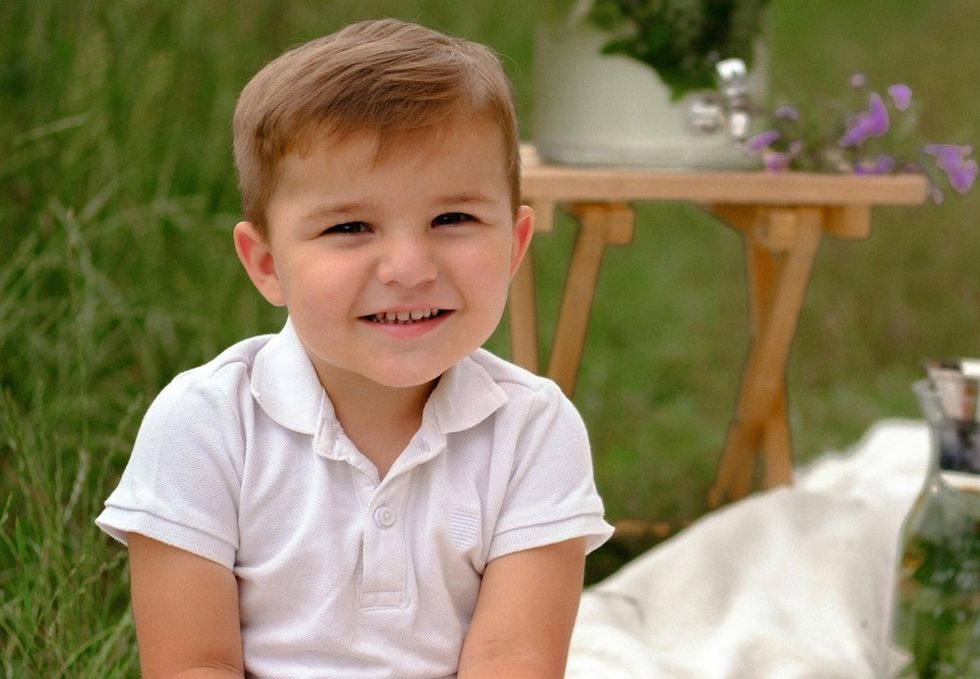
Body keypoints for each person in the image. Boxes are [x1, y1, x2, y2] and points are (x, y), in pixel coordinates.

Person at [97, 18, 613, 679]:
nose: (408, 267)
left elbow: (512, 660)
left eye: (452, 219)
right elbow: (193, 664)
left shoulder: (533, 428)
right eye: (350, 226)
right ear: (267, 264)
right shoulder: (206, 424)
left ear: (514, 245)